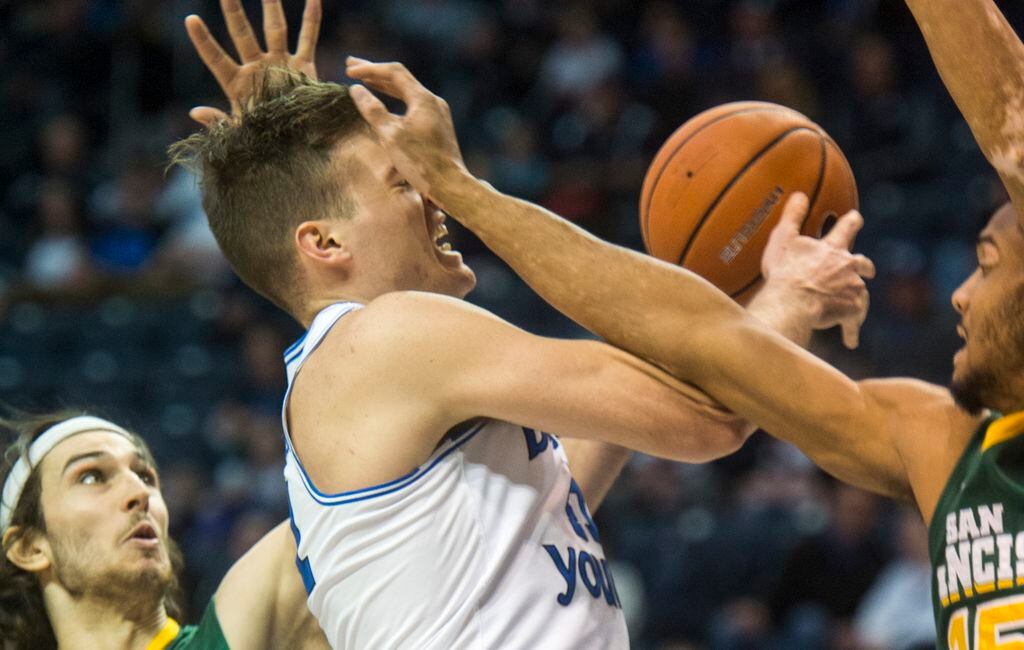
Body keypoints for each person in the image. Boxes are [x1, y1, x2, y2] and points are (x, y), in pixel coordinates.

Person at [171, 1, 874, 647]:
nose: (431, 193)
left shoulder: (379, 379)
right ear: (324, 244)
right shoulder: (382, 337)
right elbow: (708, 419)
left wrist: (773, 302)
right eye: (403, 181)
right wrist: (791, 299)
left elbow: (577, 479)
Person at [336, 5, 1024, 643]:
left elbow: (1011, 121)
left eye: (988, 265)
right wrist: (467, 195)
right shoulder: (939, 445)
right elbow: (710, 352)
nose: (961, 294)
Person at [0, 411, 330, 649]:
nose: (140, 493)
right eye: (92, 477)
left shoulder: (245, 626)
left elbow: (340, 500)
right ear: (29, 547)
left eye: (146, 476)